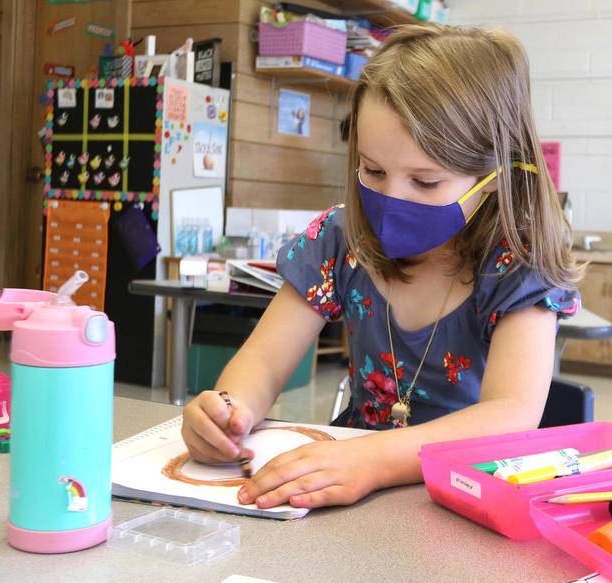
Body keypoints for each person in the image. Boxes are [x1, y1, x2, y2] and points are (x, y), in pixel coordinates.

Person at [182, 23, 581, 510]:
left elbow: (511, 412)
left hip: (460, 501)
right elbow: (264, 363)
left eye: (426, 182)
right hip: (347, 493)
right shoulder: (337, 238)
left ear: (495, 175)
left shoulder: (517, 261)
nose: (391, 199)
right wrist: (228, 412)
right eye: (373, 171)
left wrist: (372, 461)